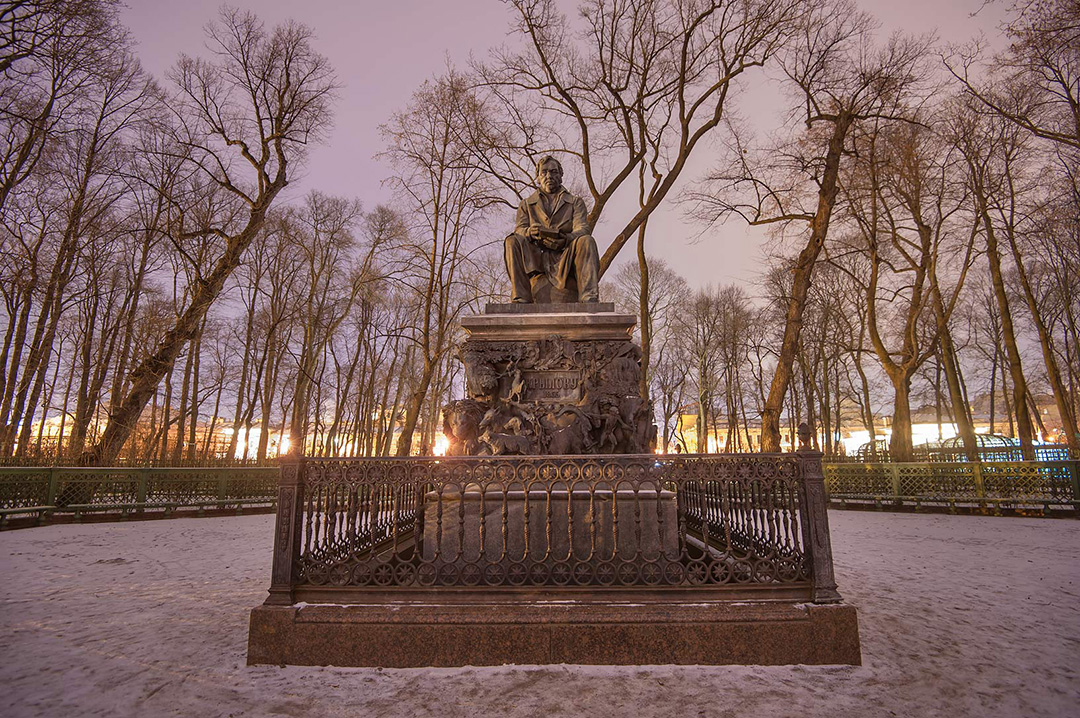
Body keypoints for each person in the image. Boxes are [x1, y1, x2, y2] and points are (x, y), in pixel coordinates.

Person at [504, 156, 600, 303]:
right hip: (536, 257)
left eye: (554, 172)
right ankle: (521, 298)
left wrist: (565, 239)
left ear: (560, 175)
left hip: (565, 256)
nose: (549, 176)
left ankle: (588, 297)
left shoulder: (575, 203)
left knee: (586, 241)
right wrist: (530, 232)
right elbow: (520, 230)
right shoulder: (526, 205)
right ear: (538, 177)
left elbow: (582, 229)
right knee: (511, 241)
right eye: (544, 172)